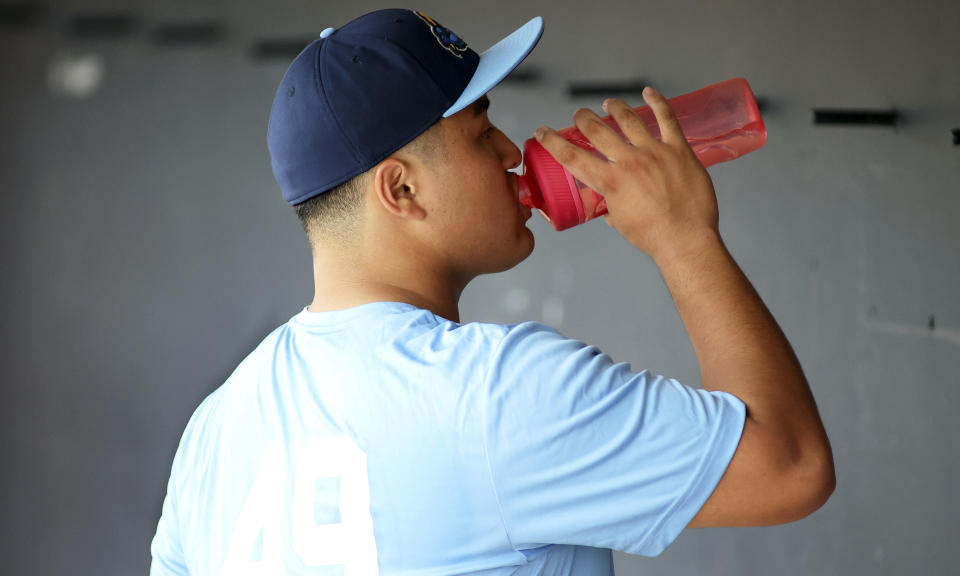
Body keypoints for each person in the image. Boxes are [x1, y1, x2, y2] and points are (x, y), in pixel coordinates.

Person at [150, 8, 834, 576]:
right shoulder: (499, 395)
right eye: (481, 133)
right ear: (403, 189)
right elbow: (792, 466)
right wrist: (684, 237)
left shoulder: (216, 428)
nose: (512, 151)